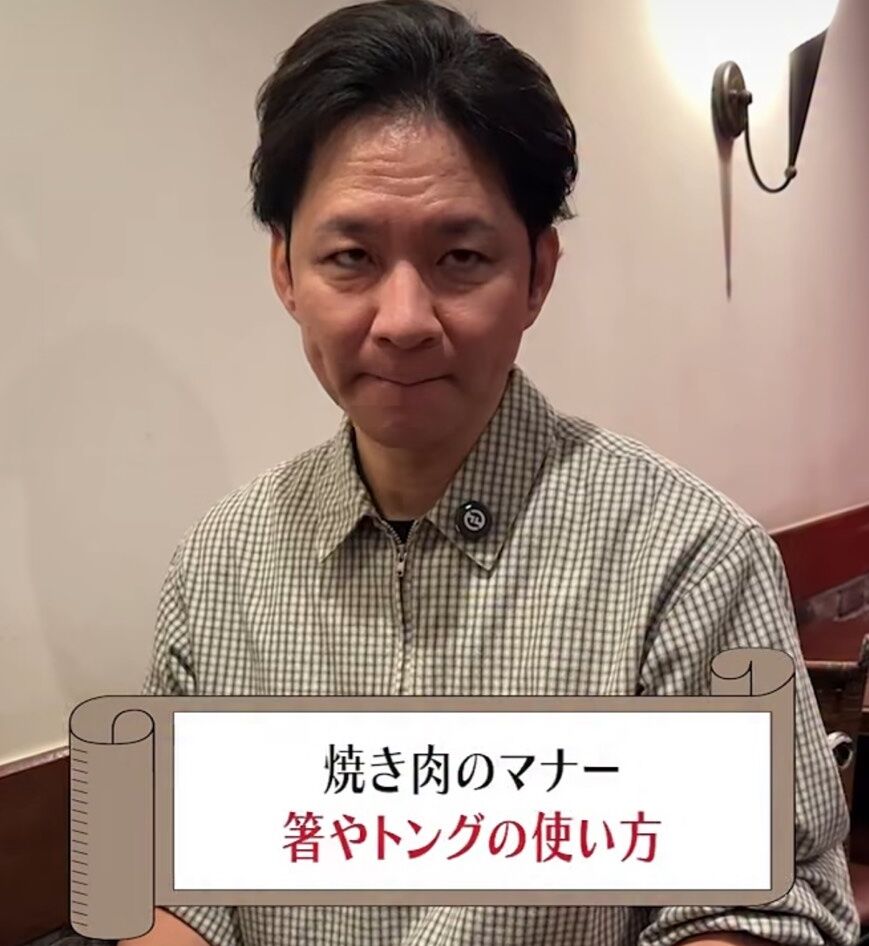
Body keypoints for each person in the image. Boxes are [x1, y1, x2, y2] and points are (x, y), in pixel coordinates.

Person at [124, 1, 860, 944]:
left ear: (537, 273)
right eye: (350, 258)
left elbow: (753, 909)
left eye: (460, 257)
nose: (403, 320)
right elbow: (163, 885)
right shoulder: (216, 567)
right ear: (285, 272)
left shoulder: (688, 557)